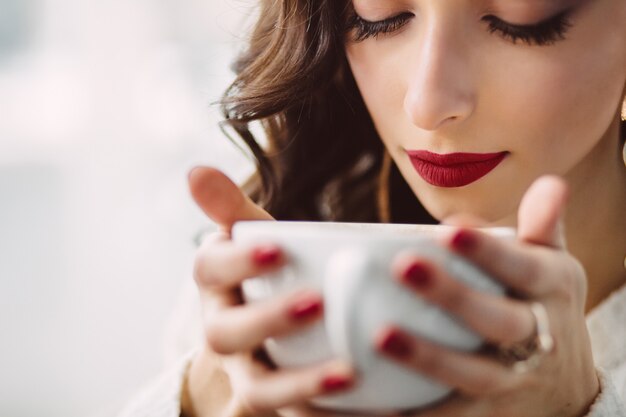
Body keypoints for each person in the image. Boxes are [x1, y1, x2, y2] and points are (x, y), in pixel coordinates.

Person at [117, 0, 626, 416]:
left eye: (519, 23)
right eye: (379, 17)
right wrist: (201, 396)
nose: (426, 104)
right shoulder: (273, 280)